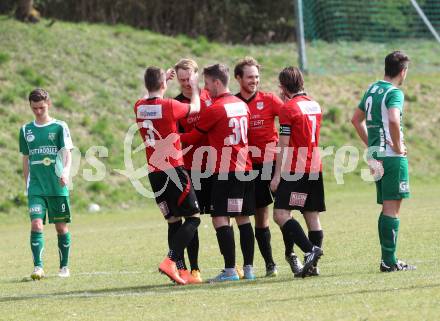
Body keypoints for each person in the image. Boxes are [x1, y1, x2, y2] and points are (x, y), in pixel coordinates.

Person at [181, 63, 256, 282]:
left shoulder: (215, 108)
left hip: (226, 170)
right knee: (243, 219)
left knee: (219, 218)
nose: (206, 87)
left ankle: (230, 271)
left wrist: (170, 138)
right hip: (246, 168)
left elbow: (194, 137)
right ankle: (249, 270)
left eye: (207, 83)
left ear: (216, 82)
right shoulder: (242, 105)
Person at [134, 66, 202, 285]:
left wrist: (164, 80)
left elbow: (148, 97)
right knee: (193, 217)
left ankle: (181, 272)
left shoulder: (139, 107)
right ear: (164, 84)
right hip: (174, 170)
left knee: (174, 222)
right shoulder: (170, 106)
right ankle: (170, 260)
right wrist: (195, 85)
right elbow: (196, 107)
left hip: (154, 173)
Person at [351, 51, 416, 272]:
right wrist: (398, 147)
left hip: (376, 156)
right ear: (403, 71)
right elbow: (393, 119)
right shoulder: (394, 92)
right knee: (392, 209)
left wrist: (372, 146)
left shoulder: (372, 89)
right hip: (392, 158)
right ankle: (389, 261)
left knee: (386, 208)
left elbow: (356, 119)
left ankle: (386, 259)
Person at [234, 57, 286, 277]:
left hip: (271, 164)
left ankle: (291, 256)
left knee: (283, 213)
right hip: (247, 166)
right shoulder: (233, 102)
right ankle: (269, 264)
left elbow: (290, 118)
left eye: (256, 76)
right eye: (249, 77)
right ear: (238, 78)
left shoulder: (270, 99)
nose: (254, 80)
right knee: (260, 215)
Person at [270, 67, 324, 278]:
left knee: (280, 214)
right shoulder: (314, 105)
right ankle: (313, 267)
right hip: (315, 167)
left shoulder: (288, 108)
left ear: (283, 86)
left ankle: (310, 251)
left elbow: (283, 145)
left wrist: (276, 176)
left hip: (296, 169)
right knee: (312, 216)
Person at [19, 88, 73, 280]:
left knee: (61, 228)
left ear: (48, 104)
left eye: (42, 107)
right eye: (35, 108)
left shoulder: (60, 127)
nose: (39, 111)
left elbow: (67, 154)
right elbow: (26, 159)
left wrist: (66, 172)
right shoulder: (26, 130)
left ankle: (64, 267)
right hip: (36, 188)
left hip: (57, 185)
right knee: (36, 224)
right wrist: (27, 185)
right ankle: (38, 267)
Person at [173, 58, 212, 282]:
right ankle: (195, 268)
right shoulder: (177, 105)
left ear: (197, 75)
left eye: (190, 78)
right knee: (192, 219)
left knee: (222, 217)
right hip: (189, 168)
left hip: (216, 165)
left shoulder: (210, 97)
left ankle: (231, 264)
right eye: (182, 80)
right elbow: (176, 138)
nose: (187, 83)